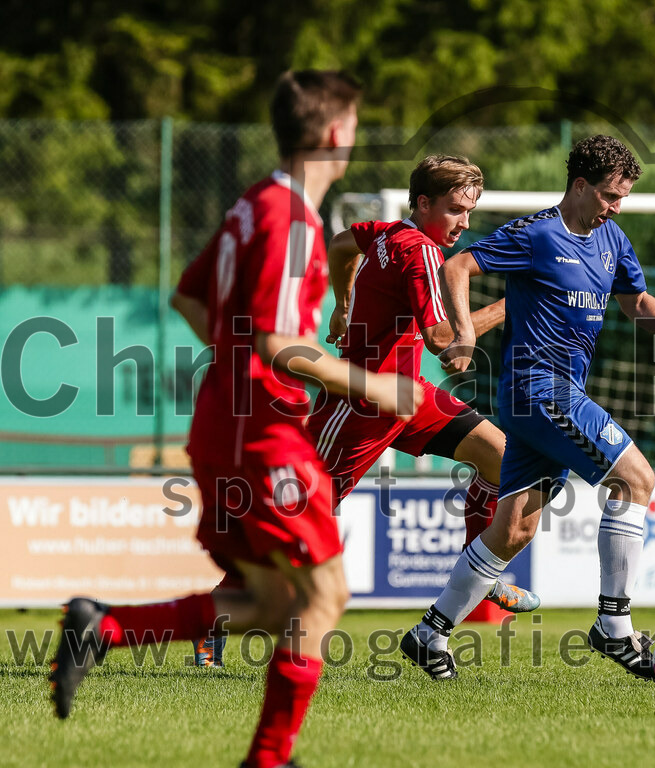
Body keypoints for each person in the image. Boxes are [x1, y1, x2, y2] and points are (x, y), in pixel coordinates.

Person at [49, 70, 422, 768]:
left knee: (275, 602)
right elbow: (278, 343)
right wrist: (375, 386)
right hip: (264, 433)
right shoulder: (293, 221)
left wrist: (235, 369)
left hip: (223, 421)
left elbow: (190, 301)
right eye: (354, 125)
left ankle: (106, 627)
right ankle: (269, 759)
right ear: (335, 132)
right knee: (325, 594)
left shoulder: (251, 205)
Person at [400, 135, 655, 681]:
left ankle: (429, 634)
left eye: (622, 198)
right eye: (609, 196)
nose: (615, 207)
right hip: (539, 390)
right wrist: (464, 334)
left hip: (552, 397)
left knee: (514, 530)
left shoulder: (612, 239)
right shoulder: (536, 233)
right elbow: (457, 267)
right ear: (579, 185)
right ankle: (614, 626)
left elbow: (636, 303)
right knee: (636, 480)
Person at [305, 154, 539, 613]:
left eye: (469, 211)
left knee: (501, 458)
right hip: (362, 404)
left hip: (408, 396)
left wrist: (342, 303)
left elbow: (339, 244)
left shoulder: (386, 232)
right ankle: (214, 617)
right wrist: (513, 304)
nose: (464, 223)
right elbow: (442, 342)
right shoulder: (421, 252)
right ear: (424, 203)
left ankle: (480, 569)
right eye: (456, 210)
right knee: (299, 516)